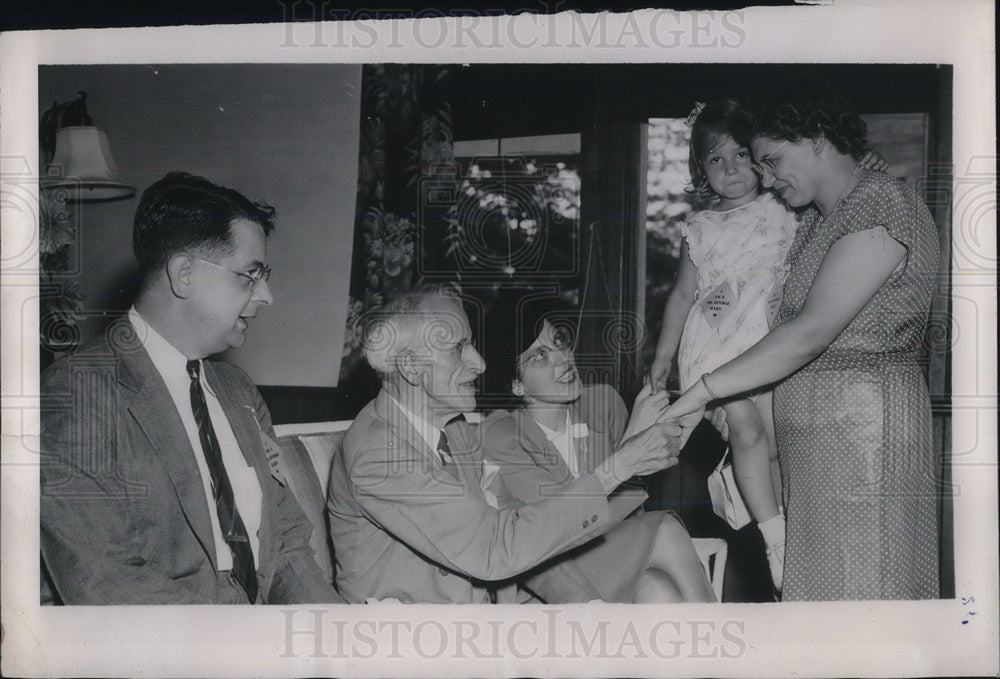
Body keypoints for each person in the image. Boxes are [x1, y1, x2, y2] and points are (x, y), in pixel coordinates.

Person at [662, 95, 941, 601]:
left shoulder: (880, 206)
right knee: (817, 600)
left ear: (815, 138)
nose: (764, 179)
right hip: (811, 449)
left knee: (863, 596)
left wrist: (705, 389)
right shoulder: (817, 218)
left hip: (863, 437)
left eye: (770, 161)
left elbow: (811, 332)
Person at [40, 171, 345, 605]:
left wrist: (338, 634)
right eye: (250, 275)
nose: (267, 296)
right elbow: (104, 583)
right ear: (184, 274)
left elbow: (288, 545)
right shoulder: (75, 394)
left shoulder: (238, 391)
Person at [326, 285, 690, 603]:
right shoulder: (379, 453)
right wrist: (621, 465)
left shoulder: (454, 430)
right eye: (460, 348)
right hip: (413, 649)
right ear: (410, 367)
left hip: (479, 629)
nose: (480, 364)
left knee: (657, 593)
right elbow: (494, 548)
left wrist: (587, 606)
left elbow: (517, 527)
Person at [648, 100, 796, 592]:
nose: (731, 169)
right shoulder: (702, 227)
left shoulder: (786, 207)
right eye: (716, 160)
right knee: (749, 433)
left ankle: (745, 494)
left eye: (740, 155)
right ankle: (775, 540)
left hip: (768, 345)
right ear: (701, 170)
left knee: (771, 447)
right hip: (716, 349)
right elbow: (682, 296)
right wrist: (663, 358)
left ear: (759, 157)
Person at [482, 292, 716, 603]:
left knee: (659, 592)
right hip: (552, 575)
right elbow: (560, 520)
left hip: (612, 554)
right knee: (665, 530)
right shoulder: (501, 434)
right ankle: (722, 643)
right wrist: (632, 439)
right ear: (516, 384)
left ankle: (712, 644)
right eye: (540, 355)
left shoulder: (602, 403)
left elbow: (631, 507)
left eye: (560, 342)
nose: (563, 358)